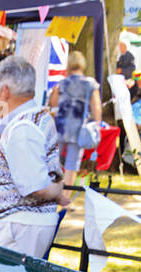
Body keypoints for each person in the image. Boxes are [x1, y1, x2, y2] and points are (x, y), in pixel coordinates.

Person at [0, 56, 68, 260]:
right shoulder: (35, 119)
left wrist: (57, 190)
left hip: (18, 227)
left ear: (5, 91)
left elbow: (36, 186)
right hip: (21, 225)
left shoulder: (23, 128)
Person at [47, 50, 102, 186]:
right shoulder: (90, 84)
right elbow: (96, 106)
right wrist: (97, 123)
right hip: (78, 128)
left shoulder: (62, 83)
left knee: (54, 161)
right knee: (72, 165)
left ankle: (52, 192)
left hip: (60, 126)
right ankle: (66, 198)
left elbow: (53, 104)